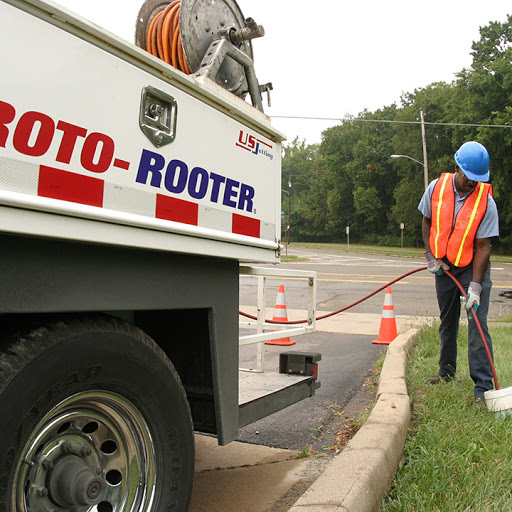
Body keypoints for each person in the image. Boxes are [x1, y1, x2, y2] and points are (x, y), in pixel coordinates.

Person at [417, 141, 499, 409]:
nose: (472, 184)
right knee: (447, 321)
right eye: (469, 179)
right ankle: (446, 371)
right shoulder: (436, 188)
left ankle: (483, 388)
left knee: (477, 325)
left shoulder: (486, 201)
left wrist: (475, 286)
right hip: (444, 267)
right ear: (457, 169)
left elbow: (483, 245)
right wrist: (431, 256)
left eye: (478, 180)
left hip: (472, 268)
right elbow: (426, 220)